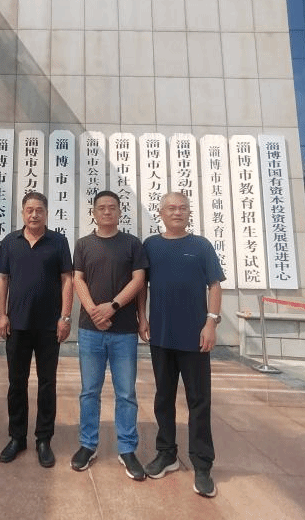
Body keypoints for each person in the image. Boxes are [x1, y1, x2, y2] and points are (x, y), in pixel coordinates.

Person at [137, 192, 224, 497]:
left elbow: (215, 285)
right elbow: (141, 285)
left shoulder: (201, 246)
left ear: (189, 213)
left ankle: (202, 464)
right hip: (161, 336)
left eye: (183, 208)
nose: (177, 212)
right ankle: (166, 454)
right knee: (163, 397)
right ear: (161, 213)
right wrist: (142, 318)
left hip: (195, 338)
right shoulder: (151, 245)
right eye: (171, 208)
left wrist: (211, 322)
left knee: (199, 401)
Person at [70, 191, 149, 480]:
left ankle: (127, 448)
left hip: (124, 330)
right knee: (89, 391)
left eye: (112, 207)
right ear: (93, 212)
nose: (106, 211)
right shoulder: (83, 244)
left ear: (119, 212)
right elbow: (78, 279)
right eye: (101, 207)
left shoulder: (132, 243)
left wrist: (112, 307)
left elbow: (139, 280)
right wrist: (94, 311)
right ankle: (87, 444)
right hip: (90, 330)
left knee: (126, 393)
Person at [0, 191, 73, 468]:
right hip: (17, 324)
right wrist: (1, 315)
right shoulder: (10, 242)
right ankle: (17, 437)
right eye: (29, 210)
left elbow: (67, 279)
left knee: (47, 383)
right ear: (23, 213)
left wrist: (65, 317)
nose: (34, 214)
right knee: (16, 383)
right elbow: (2, 278)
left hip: (49, 326)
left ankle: (43, 439)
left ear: (46, 213)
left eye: (39, 210)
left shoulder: (58, 242)